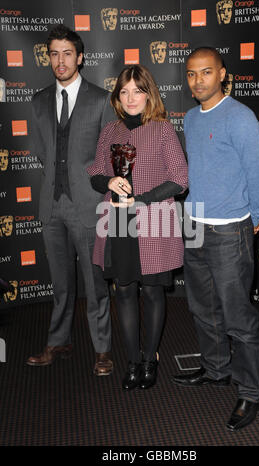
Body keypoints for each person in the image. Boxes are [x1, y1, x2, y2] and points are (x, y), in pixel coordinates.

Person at [171, 47, 259, 431]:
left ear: (223, 74)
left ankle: (250, 392)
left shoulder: (241, 118)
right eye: (192, 74)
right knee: (202, 308)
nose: (198, 80)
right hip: (194, 226)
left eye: (206, 72)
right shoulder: (192, 118)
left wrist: (255, 217)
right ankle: (216, 370)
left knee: (238, 317)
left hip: (230, 230)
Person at [87, 65, 188, 390]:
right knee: (126, 292)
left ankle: (149, 359)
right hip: (117, 222)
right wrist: (108, 180)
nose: (131, 98)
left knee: (154, 293)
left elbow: (180, 180)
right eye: (124, 91)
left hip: (153, 221)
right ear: (117, 96)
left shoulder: (161, 130)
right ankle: (132, 361)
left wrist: (141, 200)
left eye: (137, 91)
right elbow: (96, 174)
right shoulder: (110, 131)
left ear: (149, 94)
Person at [27, 25, 115, 376]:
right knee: (60, 282)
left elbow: (109, 154)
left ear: (80, 57)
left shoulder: (100, 99)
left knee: (95, 283)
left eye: (67, 53)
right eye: (53, 54)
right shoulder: (38, 100)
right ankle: (58, 340)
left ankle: (103, 349)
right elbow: (39, 152)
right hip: (52, 205)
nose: (60, 61)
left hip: (89, 206)